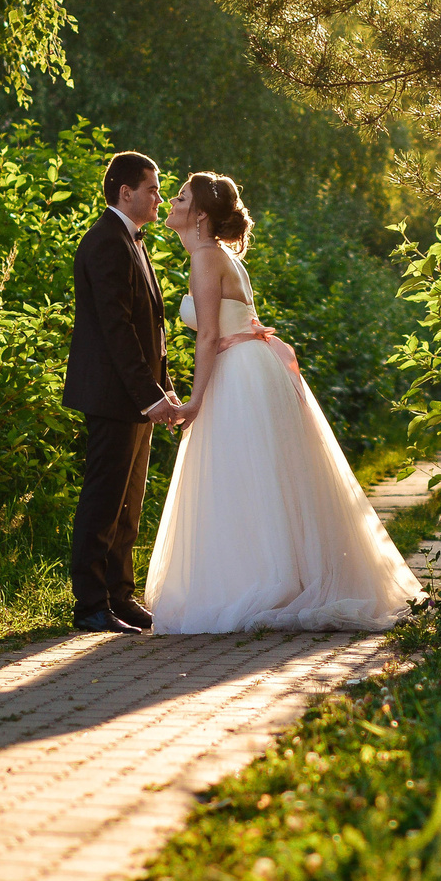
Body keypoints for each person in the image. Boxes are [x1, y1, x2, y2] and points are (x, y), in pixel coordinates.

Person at [146, 171, 421, 633]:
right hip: (252, 367)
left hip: (238, 371)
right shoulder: (219, 256)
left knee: (239, 474)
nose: (172, 201)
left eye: (181, 196)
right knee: (258, 475)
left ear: (200, 215)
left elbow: (210, 334)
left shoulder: (207, 259)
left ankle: (260, 582)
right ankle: (272, 575)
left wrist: (193, 401)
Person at [61, 151, 184, 634]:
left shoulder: (132, 240)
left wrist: (164, 389)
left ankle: (119, 595)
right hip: (113, 395)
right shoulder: (105, 241)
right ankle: (89, 603)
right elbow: (116, 330)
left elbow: (149, 326)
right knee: (103, 500)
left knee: (129, 503)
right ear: (125, 192)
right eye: (152, 189)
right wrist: (148, 395)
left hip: (136, 394)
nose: (159, 197)